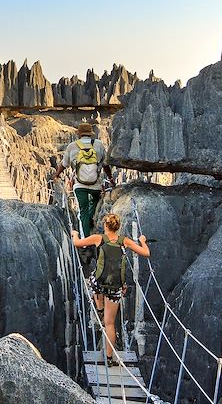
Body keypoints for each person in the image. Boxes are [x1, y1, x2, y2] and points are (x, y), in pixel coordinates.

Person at [71, 213, 149, 366]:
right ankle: (108, 357)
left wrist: (75, 234)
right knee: (110, 324)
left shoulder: (98, 238)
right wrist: (142, 241)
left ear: (106, 226)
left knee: (92, 280)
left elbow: (77, 243)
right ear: (118, 227)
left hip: (99, 283)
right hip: (115, 287)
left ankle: (99, 307)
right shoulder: (124, 241)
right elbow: (146, 253)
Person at [51, 122, 114, 273]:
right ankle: (94, 231)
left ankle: (86, 243)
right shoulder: (98, 144)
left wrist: (56, 174)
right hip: (96, 185)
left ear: (79, 134)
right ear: (91, 134)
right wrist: (111, 179)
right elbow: (105, 164)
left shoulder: (73, 146)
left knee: (83, 212)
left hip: (80, 186)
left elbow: (64, 164)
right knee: (95, 209)